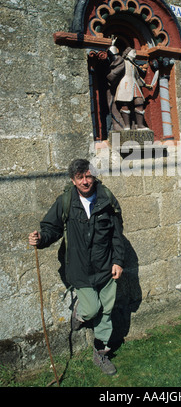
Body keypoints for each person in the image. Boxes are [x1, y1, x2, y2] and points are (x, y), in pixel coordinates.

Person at [28, 158, 125, 376]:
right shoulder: (65, 201)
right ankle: (80, 314)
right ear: (73, 180)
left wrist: (118, 260)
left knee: (107, 310)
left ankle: (101, 352)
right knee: (92, 309)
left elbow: (117, 233)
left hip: (106, 266)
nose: (85, 181)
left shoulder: (106, 199)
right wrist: (41, 238)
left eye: (88, 176)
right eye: (80, 177)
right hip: (79, 268)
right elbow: (51, 228)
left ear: (93, 177)